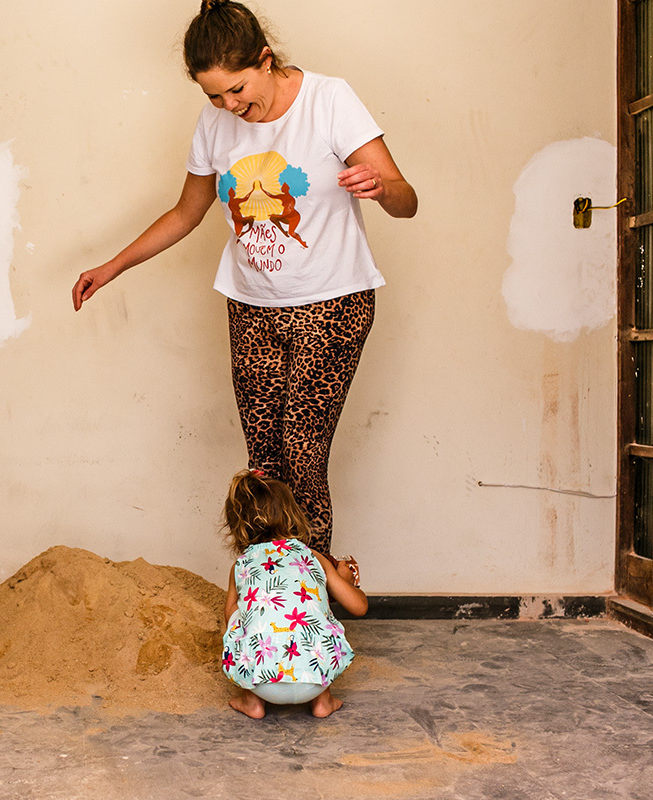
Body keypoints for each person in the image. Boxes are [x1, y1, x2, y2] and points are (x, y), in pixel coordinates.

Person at [71, 0, 417, 555]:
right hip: (251, 308)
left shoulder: (329, 100)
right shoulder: (216, 123)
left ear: (265, 59)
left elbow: (407, 201)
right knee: (264, 465)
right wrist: (111, 267)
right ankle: (266, 598)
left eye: (237, 89)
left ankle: (309, 605)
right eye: (214, 95)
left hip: (332, 302)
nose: (230, 105)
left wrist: (381, 188)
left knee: (303, 454)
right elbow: (186, 213)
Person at [220, 468, 367, 719]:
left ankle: (252, 700)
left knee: (238, 617)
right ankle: (323, 701)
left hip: (263, 683)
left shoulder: (241, 565)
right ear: (292, 516)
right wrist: (341, 576)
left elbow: (229, 612)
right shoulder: (313, 556)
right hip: (315, 679)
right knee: (315, 611)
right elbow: (358, 607)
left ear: (239, 525)